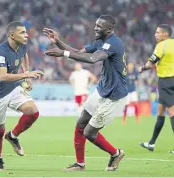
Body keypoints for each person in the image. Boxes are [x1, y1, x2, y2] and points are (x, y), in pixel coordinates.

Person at [44, 14, 128, 171]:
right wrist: (58, 42)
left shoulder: (113, 43)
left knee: (89, 132)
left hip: (114, 95)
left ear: (109, 29)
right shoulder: (100, 42)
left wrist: (63, 53)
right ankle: (80, 164)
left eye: (99, 26)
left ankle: (116, 153)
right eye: (95, 25)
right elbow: (79, 52)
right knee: (81, 124)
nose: (95, 28)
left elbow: (92, 59)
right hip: (102, 89)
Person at [0, 21, 43, 170]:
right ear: (12, 35)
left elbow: (24, 56)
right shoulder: (0, 51)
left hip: (13, 87)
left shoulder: (22, 45)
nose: (26, 35)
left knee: (33, 112)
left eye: (25, 32)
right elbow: (2, 76)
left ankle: (13, 136)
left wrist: (27, 77)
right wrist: (26, 74)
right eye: (22, 32)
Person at [138, 24, 174, 154]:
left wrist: (142, 68)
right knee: (160, 111)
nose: (155, 34)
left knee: (172, 111)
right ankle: (151, 143)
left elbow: (150, 63)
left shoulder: (161, 46)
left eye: (158, 32)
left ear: (165, 34)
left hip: (165, 82)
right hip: (173, 80)